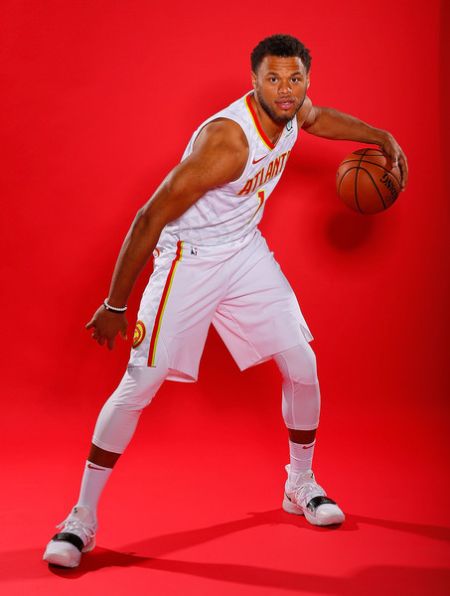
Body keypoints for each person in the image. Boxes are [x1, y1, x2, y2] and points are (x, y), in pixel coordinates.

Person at [43, 33, 408, 568]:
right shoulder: (227, 142)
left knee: (302, 363)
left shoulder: (292, 110)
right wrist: (116, 304)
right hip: (188, 259)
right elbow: (150, 215)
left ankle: (298, 484)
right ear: (253, 81)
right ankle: (81, 518)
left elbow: (318, 118)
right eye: (273, 79)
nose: (285, 91)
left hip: (243, 252)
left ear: (306, 78)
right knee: (140, 381)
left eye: (295, 78)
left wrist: (381, 135)